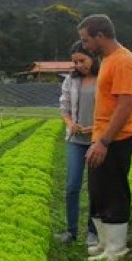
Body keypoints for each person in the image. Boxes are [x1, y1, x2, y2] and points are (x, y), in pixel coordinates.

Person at [77, 14, 132, 261]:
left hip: (118, 137)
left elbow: (126, 106)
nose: (84, 45)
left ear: (100, 36)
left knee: (114, 188)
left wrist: (104, 142)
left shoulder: (123, 61)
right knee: (98, 188)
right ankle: (105, 243)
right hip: (102, 135)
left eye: (86, 40)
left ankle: (116, 249)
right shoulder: (107, 59)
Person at [56, 40, 100, 247]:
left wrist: (96, 129)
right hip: (75, 139)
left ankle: (93, 231)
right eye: (75, 62)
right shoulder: (71, 81)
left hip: (97, 140)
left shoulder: (104, 78)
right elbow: (64, 107)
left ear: (93, 57)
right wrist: (70, 123)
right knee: (72, 186)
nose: (78, 66)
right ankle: (71, 231)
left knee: (94, 188)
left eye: (82, 60)